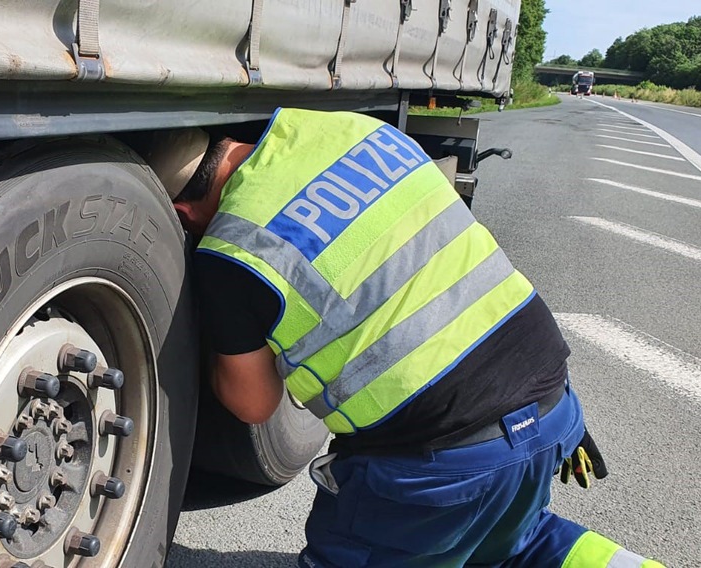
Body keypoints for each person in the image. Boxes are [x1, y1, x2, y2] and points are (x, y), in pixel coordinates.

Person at [138, 109, 665, 567]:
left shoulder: (232, 252)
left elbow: (254, 405)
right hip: (553, 406)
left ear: (183, 215)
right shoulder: (356, 132)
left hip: (442, 468)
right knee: (512, 546)